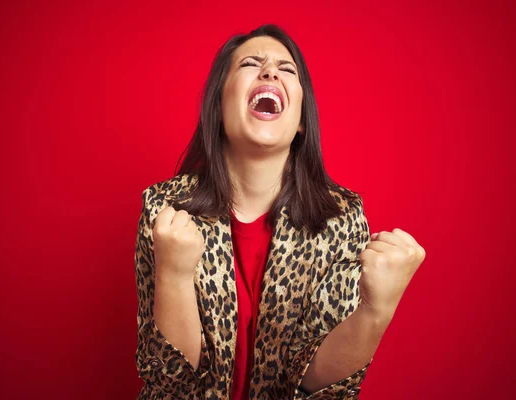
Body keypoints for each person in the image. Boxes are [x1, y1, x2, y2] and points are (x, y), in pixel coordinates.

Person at [134, 24, 425, 400]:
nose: (270, 71)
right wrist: (174, 273)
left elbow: (315, 387)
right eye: (251, 64)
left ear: (302, 120)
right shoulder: (165, 210)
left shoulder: (342, 218)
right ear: (219, 108)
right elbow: (170, 385)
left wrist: (375, 311)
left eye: (286, 69)